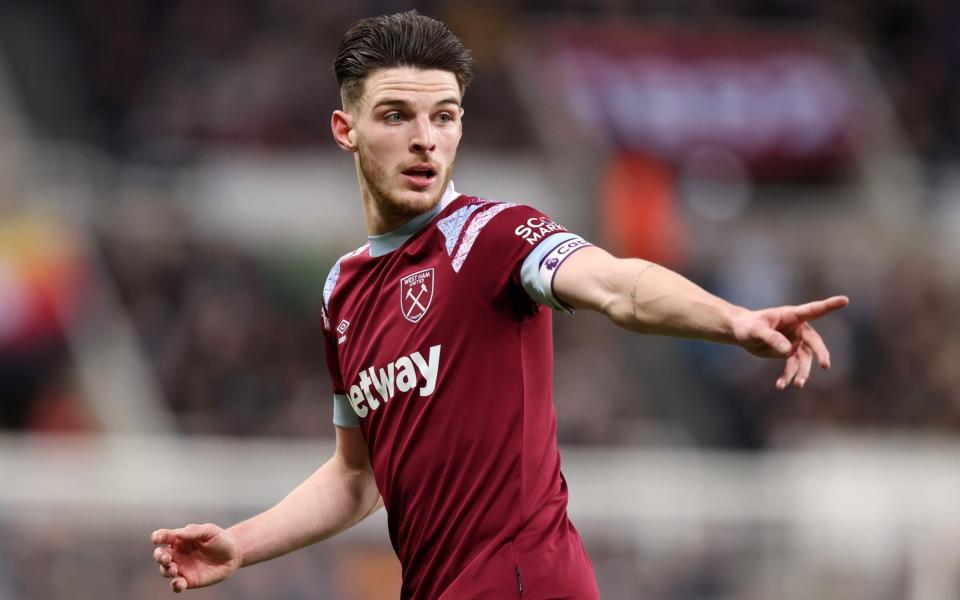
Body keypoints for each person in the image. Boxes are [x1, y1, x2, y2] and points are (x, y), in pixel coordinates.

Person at [150, 10, 849, 599]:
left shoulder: (492, 235)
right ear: (346, 130)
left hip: (526, 584)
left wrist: (730, 319)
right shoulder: (343, 292)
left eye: (444, 117)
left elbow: (616, 285)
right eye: (396, 115)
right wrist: (239, 544)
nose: (425, 138)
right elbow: (358, 476)